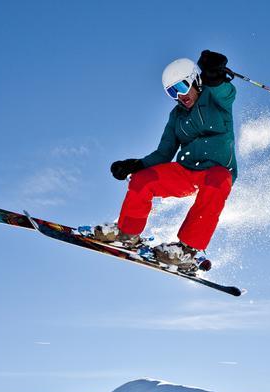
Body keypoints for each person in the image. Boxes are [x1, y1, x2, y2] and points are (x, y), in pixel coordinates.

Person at [93, 50, 236, 270]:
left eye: (181, 87)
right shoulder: (176, 116)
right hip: (187, 170)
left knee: (218, 180)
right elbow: (164, 153)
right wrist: (136, 165)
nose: (179, 95)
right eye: (172, 92)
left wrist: (214, 76)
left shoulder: (215, 97)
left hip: (215, 172)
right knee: (142, 180)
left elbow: (226, 91)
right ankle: (127, 233)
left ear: (196, 80)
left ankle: (186, 250)